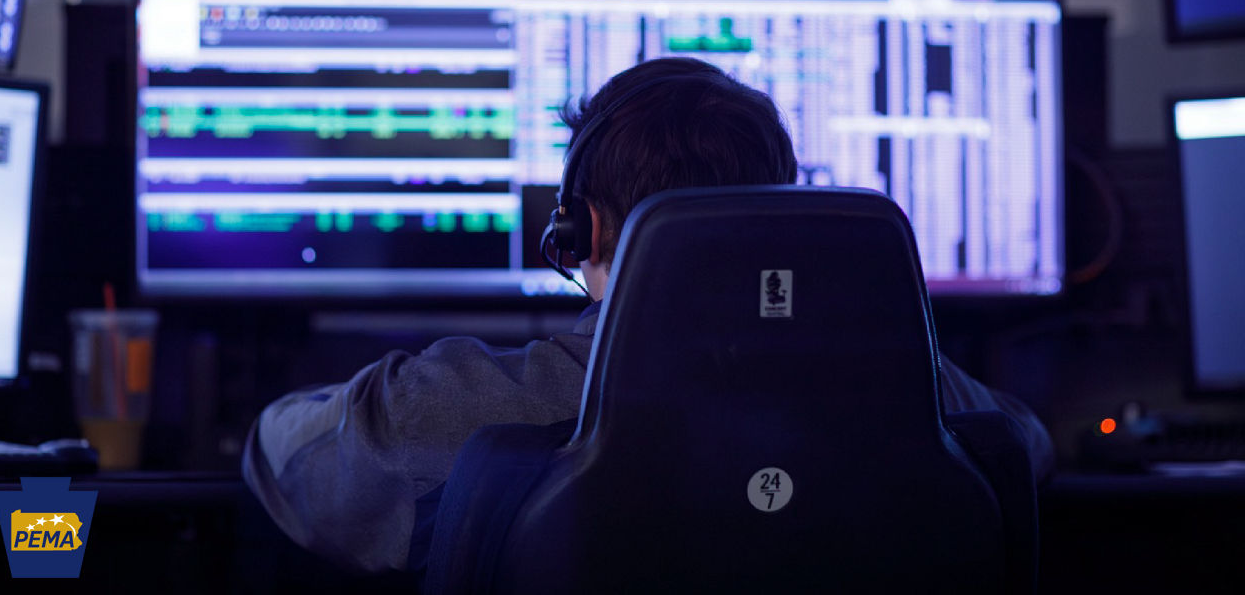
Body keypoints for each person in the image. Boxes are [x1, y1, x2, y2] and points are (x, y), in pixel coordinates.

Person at [242, 57, 1055, 575]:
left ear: (582, 229)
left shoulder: (439, 412)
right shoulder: (925, 402)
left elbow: (291, 458)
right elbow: (1025, 445)